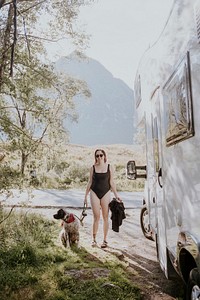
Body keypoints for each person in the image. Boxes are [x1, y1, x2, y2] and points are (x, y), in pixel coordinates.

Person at [84, 149, 121, 248]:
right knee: (96, 217)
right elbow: (90, 182)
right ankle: (94, 239)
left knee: (105, 217)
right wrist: (85, 196)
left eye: (101, 155)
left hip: (106, 192)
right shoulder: (92, 168)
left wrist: (117, 195)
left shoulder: (109, 167)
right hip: (94, 192)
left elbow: (112, 182)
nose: (99, 157)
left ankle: (104, 240)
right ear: (95, 157)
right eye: (97, 156)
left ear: (104, 156)